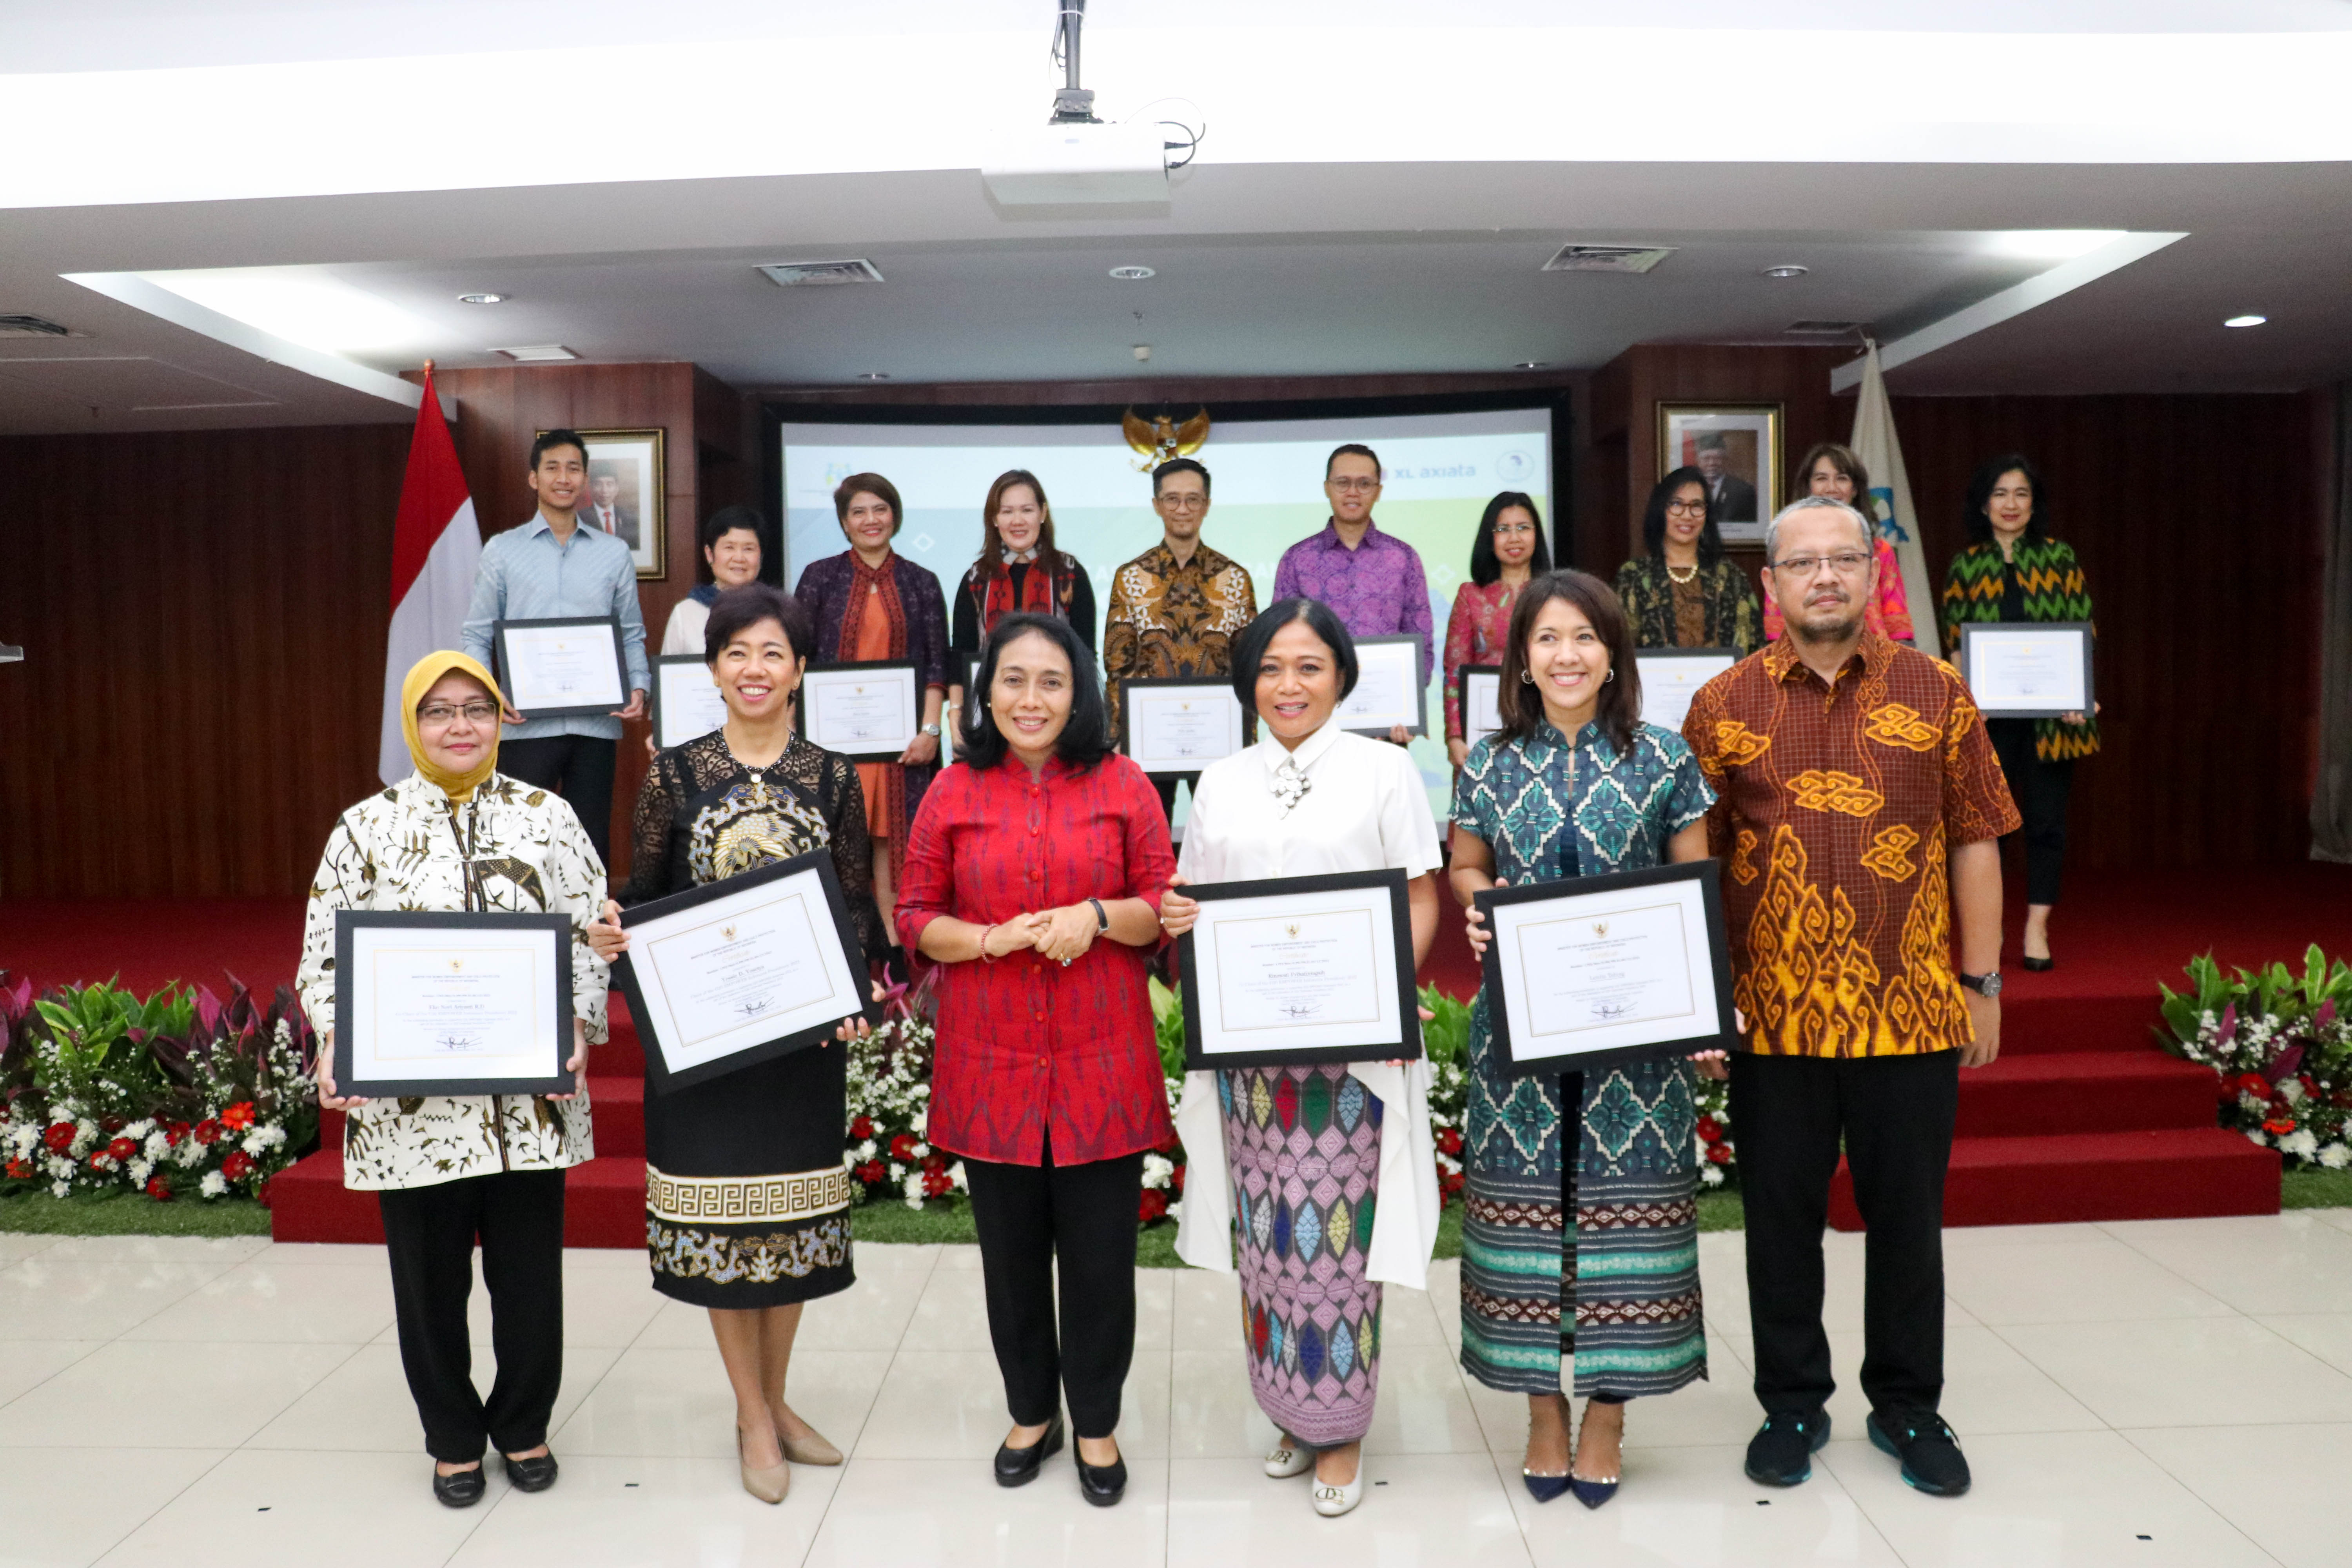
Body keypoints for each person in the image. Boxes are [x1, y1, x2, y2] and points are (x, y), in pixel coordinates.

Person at [1682, 496, 2019, 1501]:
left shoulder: (1938, 690)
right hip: (1772, 1015)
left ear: (1874, 573)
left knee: (1907, 1219)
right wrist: (1701, 998)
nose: (1824, 577)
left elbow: (1976, 836)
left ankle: (1908, 1403)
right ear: (1769, 584)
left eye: (1843, 560)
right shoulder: (1722, 704)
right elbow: (1688, 859)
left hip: (1910, 1006)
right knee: (1780, 1219)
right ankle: (1792, 1400)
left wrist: (1984, 981)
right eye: (1803, 563)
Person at [584, 585, 882, 1504]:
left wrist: (852, 990)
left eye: (774, 653)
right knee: (719, 1222)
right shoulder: (674, 776)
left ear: (800, 670)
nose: (755, 669)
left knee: (787, 1225)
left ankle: (778, 1398)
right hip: (706, 1039)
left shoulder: (833, 777)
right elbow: (645, 894)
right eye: (737, 652)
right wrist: (614, 933)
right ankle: (752, 1413)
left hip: (799, 1040)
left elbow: (856, 903)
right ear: (713, 668)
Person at [298, 650, 604, 1509]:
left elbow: (590, 933)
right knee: (428, 1280)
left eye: (477, 707)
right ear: (413, 723)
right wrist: (335, 1039)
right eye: (440, 711)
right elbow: (325, 954)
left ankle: (523, 1423)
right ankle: (452, 1436)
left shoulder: (550, 818)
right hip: (409, 1108)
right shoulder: (366, 826)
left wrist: (578, 1025)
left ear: (503, 718)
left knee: (527, 1274)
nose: (460, 725)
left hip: (525, 1105)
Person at [1162, 598, 1444, 1520]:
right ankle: (1290, 1408)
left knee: (1338, 1244)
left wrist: (1384, 1002)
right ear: (1249, 680)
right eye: (1273, 667)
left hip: (1349, 1063)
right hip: (1255, 1059)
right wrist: (1179, 917)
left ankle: (1343, 1424)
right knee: (1269, 1239)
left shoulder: (1385, 770)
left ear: (1342, 676)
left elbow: (1419, 898)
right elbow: (1197, 898)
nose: (1289, 684)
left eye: (1310, 666)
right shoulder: (1221, 778)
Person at [1448, 570, 1719, 1510]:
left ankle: (1606, 1410)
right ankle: (1541, 1411)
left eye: (1585, 638)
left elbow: (1696, 892)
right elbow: (1468, 859)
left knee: (1628, 1210)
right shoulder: (1486, 761)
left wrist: (1701, 1013)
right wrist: (1474, 900)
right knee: (1523, 1210)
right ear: (1520, 656)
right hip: (1515, 1033)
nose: (1566, 655)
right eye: (1547, 638)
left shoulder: (1665, 757)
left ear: (1613, 654)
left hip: (1637, 1041)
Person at [896, 612, 1176, 1510]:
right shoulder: (950, 791)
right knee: (1009, 1259)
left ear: (1080, 690)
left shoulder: (1125, 782)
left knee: (1100, 1264)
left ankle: (1094, 1418)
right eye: (1011, 679)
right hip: (992, 1062)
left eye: (1051, 680)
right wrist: (986, 939)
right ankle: (1030, 1412)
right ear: (985, 692)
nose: (1030, 698)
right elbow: (914, 916)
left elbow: (1160, 904)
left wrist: (1094, 917)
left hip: (1102, 1059)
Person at [461, 428, 651, 866]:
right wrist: (489, 693)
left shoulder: (614, 552)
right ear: (534, 479)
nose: (563, 478)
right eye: (552, 468)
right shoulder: (503, 551)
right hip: (526, 725)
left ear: (585, 479)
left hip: (596, 726)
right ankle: (524, 934)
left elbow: (630, 633)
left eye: (573, 468)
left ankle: (591, 933)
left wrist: (638, 685)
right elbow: (475, 635)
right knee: (516, 841)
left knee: (589, 843)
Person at [1940, 454, 2098, 970]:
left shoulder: (2060, 559)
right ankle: (1993, 926)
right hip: (1989, 725)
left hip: (2055, 722)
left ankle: (2036, 928)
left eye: (2022, 494)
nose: (2011, 504)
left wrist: (2081, 694)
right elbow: (1955, 648)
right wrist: (1968, 703)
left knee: (2047, 824)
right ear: (1984, 505)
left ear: (2035, 504)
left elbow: (2082, 634)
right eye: (2001, 494)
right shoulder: (1966, 566)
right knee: (1990, 830)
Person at [792, 473, 949, 973]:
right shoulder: (819, 577)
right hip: (833, 747)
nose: (870, 520)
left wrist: (930, 733)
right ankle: (848, 960)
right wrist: (797, 737)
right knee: (843, 849)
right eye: (858, 512)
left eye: (880, 509)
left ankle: (898, 959)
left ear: (895, 515)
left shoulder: (923, 581)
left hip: (904, 746)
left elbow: (937, 665)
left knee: (896, 851)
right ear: (843, 521)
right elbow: (798, 661)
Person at [1101, 456, 1259, 820]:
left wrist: (1247, 737)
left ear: (1207, 505)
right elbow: (1117, 664)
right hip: (1149, 740)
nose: (1183, 509)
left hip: (1219, 737)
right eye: (1172, 499)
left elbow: (1248, 665)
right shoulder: (1131, 577)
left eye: (1193, 499)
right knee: (1148, 839)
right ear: (1157, 505)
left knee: (1227, 834)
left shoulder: (1235, 579)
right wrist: (1119, 739)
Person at [1271, 444, 1434, 745]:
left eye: (1364, 484)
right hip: (1313, 726)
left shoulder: (1403, 558)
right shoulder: (1297, 559)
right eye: (1343, 483)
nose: (1353, 492)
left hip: (1387, 730)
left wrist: (1409, 707)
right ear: (1327, 488)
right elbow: (1281, 645)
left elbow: (1421, 641)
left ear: (1378, 490)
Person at [948, 470, 1097, 719]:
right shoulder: (976, 578)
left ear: (1043, 513)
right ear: (994, 519)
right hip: (990, 714)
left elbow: (1086, 654)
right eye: (1007, 512)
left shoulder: (1070, 573)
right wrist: (956, 714)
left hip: (1057, 713)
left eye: (1027, 510)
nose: (1018, 520)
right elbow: (961, 655)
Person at [1764, 443, 1914, 644]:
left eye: (1842, 478)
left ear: (1855, 490)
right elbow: (1776, 631)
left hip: (1876, 665)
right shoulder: (1786, 549)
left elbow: (1899, 629)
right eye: (1821, 479)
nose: (1832, 488)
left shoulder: (1879, 551)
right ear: (1808, 488)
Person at [1442, 491, 1550, 771]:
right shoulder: (1471, 595)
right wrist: (1455, 736)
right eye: (1503, 529)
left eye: (1523, 528)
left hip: (1547, 726)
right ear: (1489, 539)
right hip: (1482, 730)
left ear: (1536, 536)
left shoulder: (1556, 594)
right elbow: (1455, 672)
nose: (1514, 538)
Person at [1614, 469, 1763, 656]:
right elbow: (1619, 648)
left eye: (1697, 506)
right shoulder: (1634, 575)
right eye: (1677, 504)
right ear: (1660, 509)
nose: (1687, 515)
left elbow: (1754, 648)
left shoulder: (1731, 576)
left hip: (1724, 684)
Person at [658, 505, 766, 655]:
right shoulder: (687, 613)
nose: (739, 558)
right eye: (729, 548)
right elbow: (670, 675)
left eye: (749, 549)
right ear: (710, 554)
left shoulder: (776, 610)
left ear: (761, 557)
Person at [1693, 433, 1758, 523]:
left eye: (1717, 458)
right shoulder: (1689, 489)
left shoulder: (1744, 491)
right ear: (1698, 461)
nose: (1712, 463)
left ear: (1725, 460)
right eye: (1706, 458)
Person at [583, 467, 639, 550]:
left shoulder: (630, 518)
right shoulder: (581, 519)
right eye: (599, 484)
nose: (604, 491)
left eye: (610, 484)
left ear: (617, 488)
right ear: (591, 488)